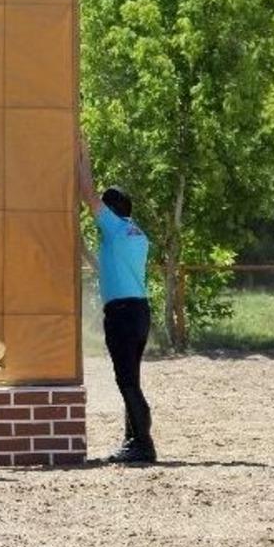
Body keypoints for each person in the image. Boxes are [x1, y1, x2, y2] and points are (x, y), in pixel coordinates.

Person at [78, 138, 157, 464]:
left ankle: (143, 444)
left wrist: (82, 154)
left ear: (110, 210)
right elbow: (105, 268)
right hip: (139, 311)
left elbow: (87, 193)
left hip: (122, 314)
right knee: (132, 379)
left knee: (126, 381)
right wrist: (81, 248)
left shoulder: (111, 227)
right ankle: (132, 440)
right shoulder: (134, 233)